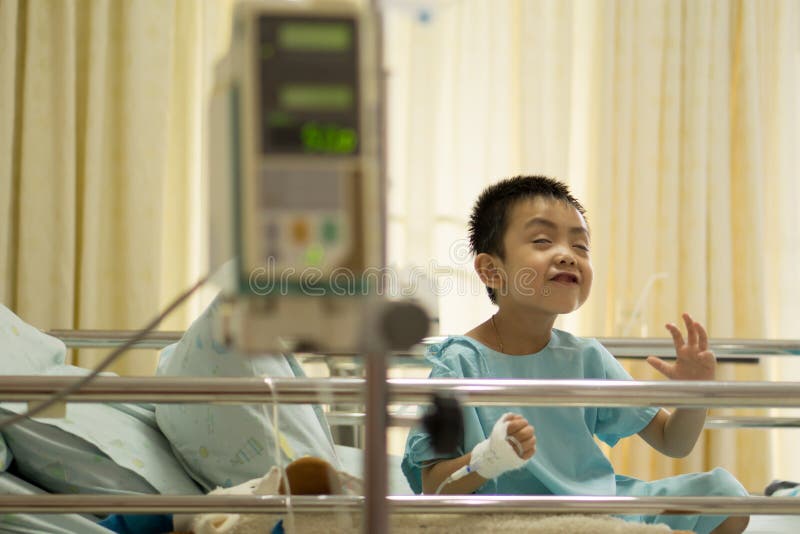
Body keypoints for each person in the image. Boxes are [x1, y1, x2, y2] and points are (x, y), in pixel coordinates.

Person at [401, 176, 749, 534]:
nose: (568, 254)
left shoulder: (587, 358)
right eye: (542, 240)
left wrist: (693, 394)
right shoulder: (459, 363)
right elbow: (433, 487)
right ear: (492, 270)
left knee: (725, 496)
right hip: (509, 521)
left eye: (581, 246)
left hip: (599, 511)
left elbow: (673, 441)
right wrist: (488, 458)